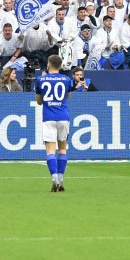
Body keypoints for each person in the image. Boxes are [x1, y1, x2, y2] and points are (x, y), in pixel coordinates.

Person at [34, 55, 74, 193]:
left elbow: (39, 102)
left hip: (48, 118)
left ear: (48, 65)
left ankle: (54, 178)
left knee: (50, 150)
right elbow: (67, 97)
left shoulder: (40, 80)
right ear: (60, 65)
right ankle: (61, 178)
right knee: (62, 148)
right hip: (63, 117)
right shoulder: (67, 80)